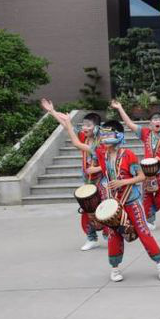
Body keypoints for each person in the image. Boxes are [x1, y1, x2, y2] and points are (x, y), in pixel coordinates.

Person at [59, 116, 160, 282]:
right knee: (113, 235)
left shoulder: (128, 154)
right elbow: (77, 143)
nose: (104, 138)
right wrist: (67, 123)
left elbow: (141, 176)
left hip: (131, 200)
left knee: (143, 231)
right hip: (114, 202)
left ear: (118, 136)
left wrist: (123, 182)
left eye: (108, 135)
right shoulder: (101, 153)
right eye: (103, 135)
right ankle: (115, 269)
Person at [41, 99, 106, 250]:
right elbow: (67, 127)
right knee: (87, 209)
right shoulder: (85, 137)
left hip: (102, 181)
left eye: (88, 125)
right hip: (88, 180)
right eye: (83, 125)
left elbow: (107, 162)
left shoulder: (101, 143)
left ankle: (109, 233)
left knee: (103, 208)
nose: (84, 128)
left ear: (97, 128)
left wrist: (97, 169)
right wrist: (52, 111)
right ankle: (91, 238)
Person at [110, 100, 160, 230]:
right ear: (150, 123)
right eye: (154, 119)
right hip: (146, 172)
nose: (157, 121)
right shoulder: (146, 133)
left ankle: (150, 212)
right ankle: (149, 219)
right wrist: (120, 108)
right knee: (146, 197)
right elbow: (129, 124)